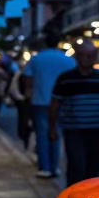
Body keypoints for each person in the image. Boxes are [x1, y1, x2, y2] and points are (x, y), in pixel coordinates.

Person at [50, 41, 99, 185]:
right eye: (83, 55)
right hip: (74, 130)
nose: (86, 59)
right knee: (77, 166)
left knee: (93, 169)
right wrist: (52, 128)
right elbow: (55, 103)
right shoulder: (66, 79)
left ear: (95, 57)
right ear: (77, 57)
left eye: (90, 55)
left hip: (98, 130)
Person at [22, 30, 70, 178]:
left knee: (42, 135)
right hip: (61, 101)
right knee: (55, 133)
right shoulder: (67, 60)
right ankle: (54, 166)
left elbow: (28, 80)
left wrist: (28, 95)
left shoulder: (36, 59)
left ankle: (45, 167)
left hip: (40, 100)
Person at [4, 54, 33, 149]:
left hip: (23, 100)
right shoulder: (20, 74)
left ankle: (25, 138)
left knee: (24, 119)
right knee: (25, 119)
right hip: (24, 100)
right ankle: (24, 138)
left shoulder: (20, 73)